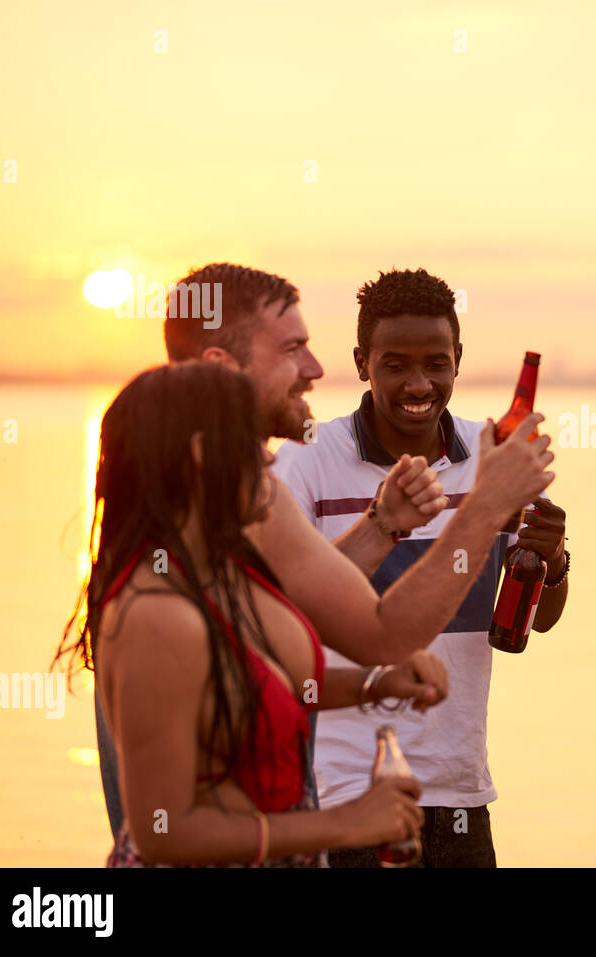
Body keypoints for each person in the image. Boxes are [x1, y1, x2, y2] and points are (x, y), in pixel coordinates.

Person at [94, 262, 555, 840]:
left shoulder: (258, 502)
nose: (315, 368)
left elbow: (295, 654)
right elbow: (164, 833)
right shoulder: (163, 582)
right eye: (293, 348)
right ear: (221, 367)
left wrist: (381, 529)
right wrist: (486, 506)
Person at [58, 362, 451, 866]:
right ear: (202, 458)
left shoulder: (210, 571)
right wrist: (346, 822)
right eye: (250, 443)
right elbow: (165, 831)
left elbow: (245, 694)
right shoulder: (155, 614)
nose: (269, 458)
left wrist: (375, 685)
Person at [273, 267, 570, 867]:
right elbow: (283, 619)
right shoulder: (306, 461)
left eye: (436, 363)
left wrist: (553, 562)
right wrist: (384, 524)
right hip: (345, 787)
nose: (419, 383)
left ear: (458, 359)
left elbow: (535, 623)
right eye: (396, 364)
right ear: (362, 363)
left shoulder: (494, 454)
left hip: (461, 787)